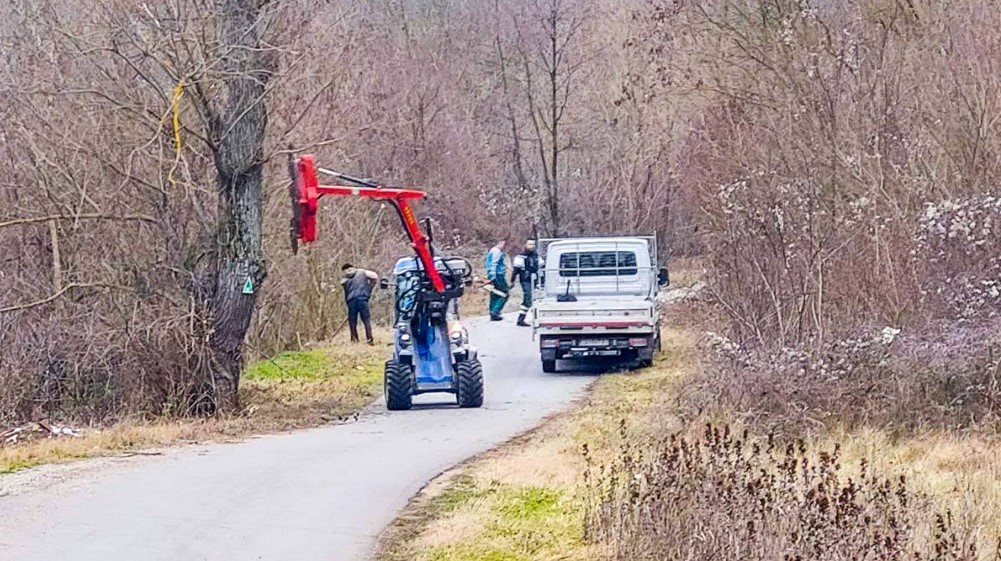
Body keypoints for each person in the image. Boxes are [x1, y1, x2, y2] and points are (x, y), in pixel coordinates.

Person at [341, 263, 378, 344]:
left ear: (344, 270)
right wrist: (369, 288)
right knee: (366, 320)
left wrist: (347, 302)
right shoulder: (362, 272)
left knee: (352, 322)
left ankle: (354, 340)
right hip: (363, 299)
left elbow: (346, 292)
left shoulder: (344, 279)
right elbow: (375, 276)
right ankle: (369, 339)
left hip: (351, 301)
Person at [510, 239, 541, 326]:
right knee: (528, 298)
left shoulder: (536, 256)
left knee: (534, 299)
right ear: (525, 245)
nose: (532, 246)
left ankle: (534, 318)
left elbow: (541, 267)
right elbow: (515, 270)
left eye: (533, 244)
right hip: (525, 280)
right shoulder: (521, 256)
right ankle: (520, 319)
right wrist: (512, 281)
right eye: (530, 244)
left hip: (535, 280)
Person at [484, 240, 509, 321]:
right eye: (503, 244)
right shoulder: (497, 252)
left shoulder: (492, 251)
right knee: (504, 293)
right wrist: (493, 276)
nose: (504, 246)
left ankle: (492, 312)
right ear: (499, 243)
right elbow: (494, 264)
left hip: (493, 275)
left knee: (495, 294)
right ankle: (496, 311)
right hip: (498, 275)